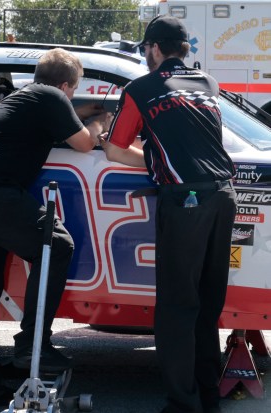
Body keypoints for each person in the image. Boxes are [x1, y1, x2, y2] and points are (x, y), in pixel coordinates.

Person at [0, 48, 110, 410]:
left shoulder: (25, 97)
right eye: (72, 92)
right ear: (65, 85)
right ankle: (33, 344)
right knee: (57, 244)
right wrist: (99, 123)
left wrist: (80, 116)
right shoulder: (49, 96)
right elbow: (83, 142)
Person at [100, 15, 237, 413]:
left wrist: (150, 157)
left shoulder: (141, 88)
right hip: (224, 195)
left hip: (186, 200)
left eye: (145, 49)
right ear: (184, 50)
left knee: (178, 307)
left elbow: (113, 149)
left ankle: (183, 404)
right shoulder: (208, 83)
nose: (145, 55)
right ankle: (207, 395)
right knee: (207, 303)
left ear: (154, 48)